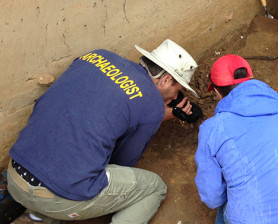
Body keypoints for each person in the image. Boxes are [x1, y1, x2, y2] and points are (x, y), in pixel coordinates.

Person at [7, 38, 200, 224]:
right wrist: (154, 115)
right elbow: (121, 163)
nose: (176, 95)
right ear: (165, 80)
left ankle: (36, 217)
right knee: (153, 188)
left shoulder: (96, 56)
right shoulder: (151, 106)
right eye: (178, 88)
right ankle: (49, 210)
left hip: (15, 174)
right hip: (57, 197)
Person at [195, 54, 278, 224]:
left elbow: (212, 197)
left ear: (217, 92)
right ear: (250, 80)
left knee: (226, 206)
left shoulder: (212, 129)